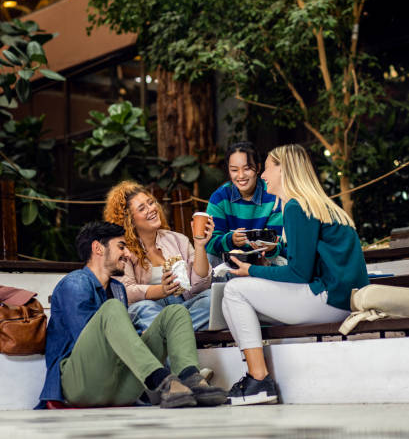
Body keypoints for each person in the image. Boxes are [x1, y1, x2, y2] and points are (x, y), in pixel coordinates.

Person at [222, 144, 369, 406]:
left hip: (328, 300)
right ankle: (256, 376)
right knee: (237, 301)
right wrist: (275, 253)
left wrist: (250, 270)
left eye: (267, 167)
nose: (263, 175)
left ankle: (258, 379)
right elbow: (309, 264)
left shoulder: (295, 207)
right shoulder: (319, 205)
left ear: (284, 169)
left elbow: (299, 273)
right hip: (343, 300)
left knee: (233, 291)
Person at [38, 221, 226, 409]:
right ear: (97, 248)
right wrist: (134, 338)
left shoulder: (117, 288)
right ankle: (163, 380)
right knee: (112, 308)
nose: (128, 254)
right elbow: (85, 339)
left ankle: (191, 380)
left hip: (118, 386)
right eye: (121, 247)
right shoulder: (75, 283)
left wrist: (137, 338)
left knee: (175, 312)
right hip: (81, 384)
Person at [103, 181, 213, 333]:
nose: (152, 209)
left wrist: (200, 245)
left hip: (182, 308)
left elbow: (199, 286)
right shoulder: (122, 249)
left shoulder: (177, 240)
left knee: (213, 298)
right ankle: (178, 333)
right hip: (152, 309)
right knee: (143, 308)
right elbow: (125, 291)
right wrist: (162, 290)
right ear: (130, 221)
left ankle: (165, 334)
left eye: (151, 203)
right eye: (142, 208)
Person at [205, 141, 284, 266]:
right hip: (228, 263)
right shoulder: (220, 197)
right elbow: (208, 242)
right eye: (234, 170)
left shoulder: (272, 195)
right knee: (209, 257)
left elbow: (280, 242)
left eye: (247, 168)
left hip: (262, 265)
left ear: (258, 168)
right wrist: (231, 240)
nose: (241, 176)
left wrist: (271, 247)